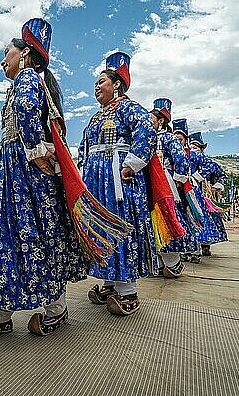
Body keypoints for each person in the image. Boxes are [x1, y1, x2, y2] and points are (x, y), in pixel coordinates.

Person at [0, 18, 87, 339]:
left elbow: (30, 113)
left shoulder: (29, 79)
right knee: (20, 237)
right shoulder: (26, 81)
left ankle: (16, 312)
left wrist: (35, 152)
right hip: (13, 173)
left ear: (26, 53)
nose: (3, 60)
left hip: (23, 175)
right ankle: (1, 312)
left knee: (24, 236)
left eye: (7, 52)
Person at [78, 51, 157, 316]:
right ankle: (109, 282)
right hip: (95, 180)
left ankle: (127, 290)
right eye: (96, 84)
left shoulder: (130, 108)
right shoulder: (95, 117)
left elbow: (147, 131)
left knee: (120, 225)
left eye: (102, 82)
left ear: (117, 85)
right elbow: (84, 147)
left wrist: (131, 164)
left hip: (118, 179)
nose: (97, 87)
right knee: (101, 228)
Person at [149, 99, 199, 277]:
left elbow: (180, 160)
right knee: (153, 220)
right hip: (149, 182)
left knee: (168, 218)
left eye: (151, 119)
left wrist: (177, 180)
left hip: (165, 182)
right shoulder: (147, 137)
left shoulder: (169, 138)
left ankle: (173, 260)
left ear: (161, 121)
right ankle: (160, 261)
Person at [189, 131, 228, 256]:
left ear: (201, 149)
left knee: (206, 220)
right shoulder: (187, 159)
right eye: (191, 147)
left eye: (195, 148)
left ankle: (205, 245)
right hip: (189, 194)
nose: (193, 150)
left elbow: (222, 176)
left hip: (205, 197)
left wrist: (217, 185)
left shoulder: (209, 163)